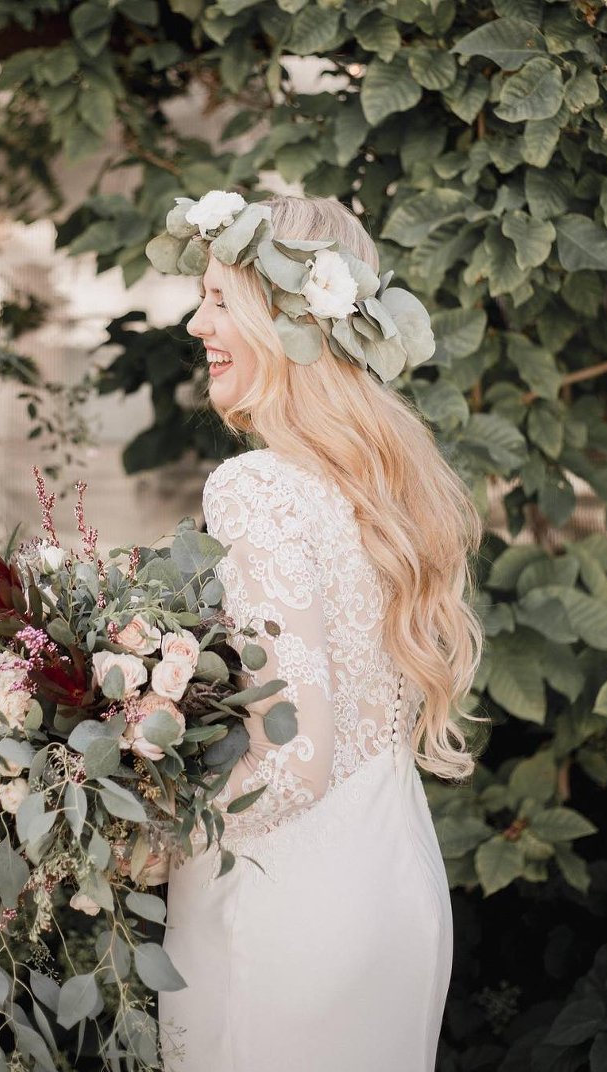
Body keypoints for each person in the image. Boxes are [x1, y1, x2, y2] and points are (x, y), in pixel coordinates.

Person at [148, 191, 488, 1072]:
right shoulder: (383, 484)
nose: (196, 323)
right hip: (394, 885)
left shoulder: (258, 487)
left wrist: (151, 841)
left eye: (220, 300)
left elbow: (294, 759)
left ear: (287, 321)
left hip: (281, 908)